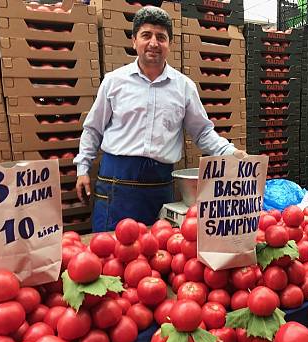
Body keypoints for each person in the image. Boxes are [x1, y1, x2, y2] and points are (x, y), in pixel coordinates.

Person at [73, 6, 246, 232]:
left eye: (161, 37)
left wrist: (231, 153)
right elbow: (93, 130)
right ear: (134, 41)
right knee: (110, 256)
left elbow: (203, 132)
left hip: (159, 186)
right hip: (116, 187)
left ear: (169, 44)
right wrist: (82, 169)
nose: (154, 43)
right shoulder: (114, 82)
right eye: (146, 35)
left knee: (157, 257)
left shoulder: (184, 87)